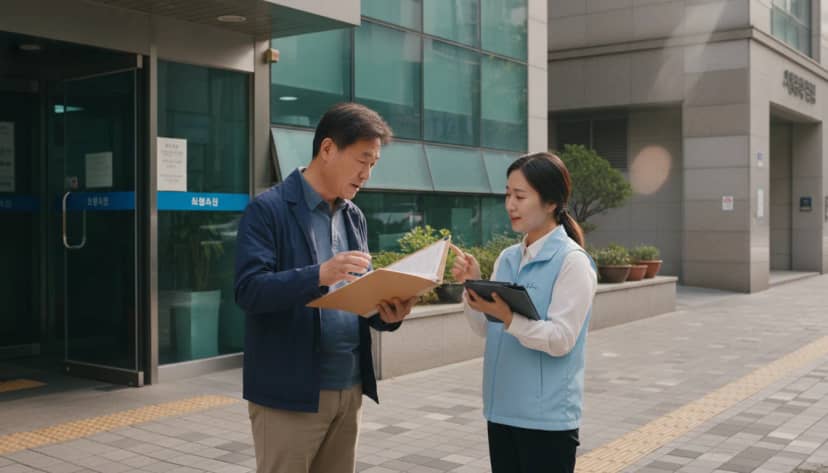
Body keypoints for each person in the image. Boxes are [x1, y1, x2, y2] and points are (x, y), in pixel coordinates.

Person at [234, 103, 416, 473]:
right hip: (289, 395)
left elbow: (358, 297)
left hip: (348, 389)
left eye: (373, 165)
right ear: (328, 149)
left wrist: (388, 314)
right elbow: (249, 290)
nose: (367, 174)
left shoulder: (354, 216)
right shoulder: (267, 210)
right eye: (362, 160)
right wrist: (318, 274)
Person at [451, 152, 598, 473]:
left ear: (550, 203)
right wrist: (471, 287)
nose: (510, 205)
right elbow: (484, 328)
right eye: (507, 194)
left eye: (520, 196)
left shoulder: (572, 262)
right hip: (501, 410)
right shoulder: (507, 258)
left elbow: (561, 339)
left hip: (546, 421)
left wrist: (509, 318)